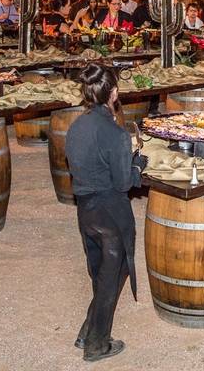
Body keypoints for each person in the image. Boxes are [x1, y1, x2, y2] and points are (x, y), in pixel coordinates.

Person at [64, 64, 145, 362]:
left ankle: (88, 330)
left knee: (100, 275)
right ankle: (96, 345)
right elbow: (124, 183)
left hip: (85, 212)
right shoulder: (116, 133)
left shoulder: (76, 126)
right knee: (114, 275)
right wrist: (136, 166)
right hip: (111, 213)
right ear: (114, 93)